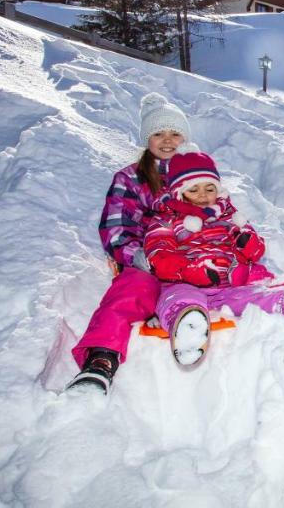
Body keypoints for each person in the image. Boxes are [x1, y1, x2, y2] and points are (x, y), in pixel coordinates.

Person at [139, 151, 284, 368]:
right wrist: (188, 271)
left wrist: (246, 242)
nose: (203, 195)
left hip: (227, 286)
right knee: (178, 298)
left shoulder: (230, 216)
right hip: (183, 282)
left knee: (254, 298)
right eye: (193, 189)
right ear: (179, 193)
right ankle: (187, 328)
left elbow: (257, 251)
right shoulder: (166, 220)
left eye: (209, 188)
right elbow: (159, 256)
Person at [67, 93, 192, 393]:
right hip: (146, 262)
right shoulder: (130, 179)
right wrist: (138, 256)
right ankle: (100, 360)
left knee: (206, 285)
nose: (167, 140)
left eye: (175, 133)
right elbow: (115, 227)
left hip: (188, 261)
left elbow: (213, 216)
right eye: (158, 133)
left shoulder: (194, 177)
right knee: (130, 292)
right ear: (146, 138)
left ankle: (191, 325)